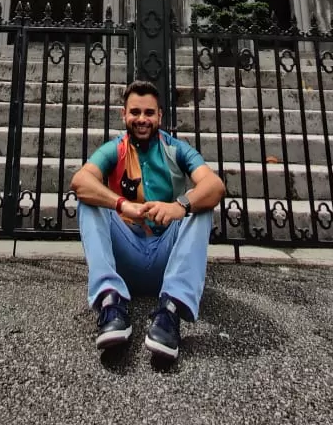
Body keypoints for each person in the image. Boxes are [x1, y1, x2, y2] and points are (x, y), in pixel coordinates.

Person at [69, 80, 226, 361]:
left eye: (149, 113)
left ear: (160, 116)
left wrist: (179, 206)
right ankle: (111, 302)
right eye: (135, 112)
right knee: (89, 200)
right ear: (124, 114)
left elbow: (214, 186)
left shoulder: (176, 149)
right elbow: (80, 181)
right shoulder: (114, 149)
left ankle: (171, 310)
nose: (142, 119)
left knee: (201, 204)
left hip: (168, 260)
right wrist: (122, 204)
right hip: (125, 258)